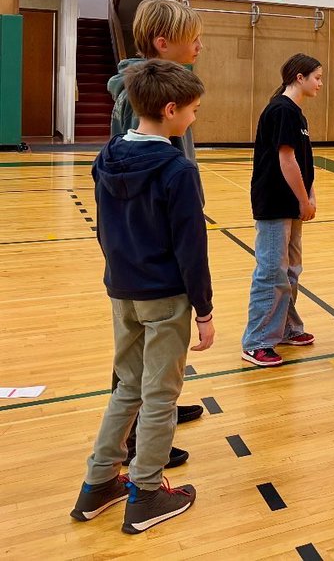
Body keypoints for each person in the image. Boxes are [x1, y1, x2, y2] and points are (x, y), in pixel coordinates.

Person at [70, 60, 213, 534]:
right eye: (191, 111)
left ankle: (98, 483)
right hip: (165, 296)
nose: (193, 119)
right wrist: (205, 310)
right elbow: (192, 249)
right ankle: (147, 491)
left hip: (122, 291)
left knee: (127, 387)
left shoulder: (107, 156)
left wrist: (119, 274)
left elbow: (106, 231)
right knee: (159, 395)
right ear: (170, 110)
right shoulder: (177, 170)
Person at [107, 0, 206, 467]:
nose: (200, 46)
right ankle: (136, 437)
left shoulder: (172, 91)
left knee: (156, 346)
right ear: (163, 44)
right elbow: (131, 178)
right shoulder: (138, 99)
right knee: (139, 341)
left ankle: (156, 408)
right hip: (147, 249)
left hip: (164, 233)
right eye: (193, 40)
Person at [242, 54, 323, 367]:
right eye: (316, 77)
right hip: (276, 203)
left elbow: (304, 162)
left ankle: (286, 328)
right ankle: (257, 341)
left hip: (291, 204)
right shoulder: (281, 109)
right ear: (299, 78)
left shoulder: (297, 115)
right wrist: (304, 200)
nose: (320, 83)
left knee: (290, 271)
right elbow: (286, 160)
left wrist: (309, 195)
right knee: (271, 272)